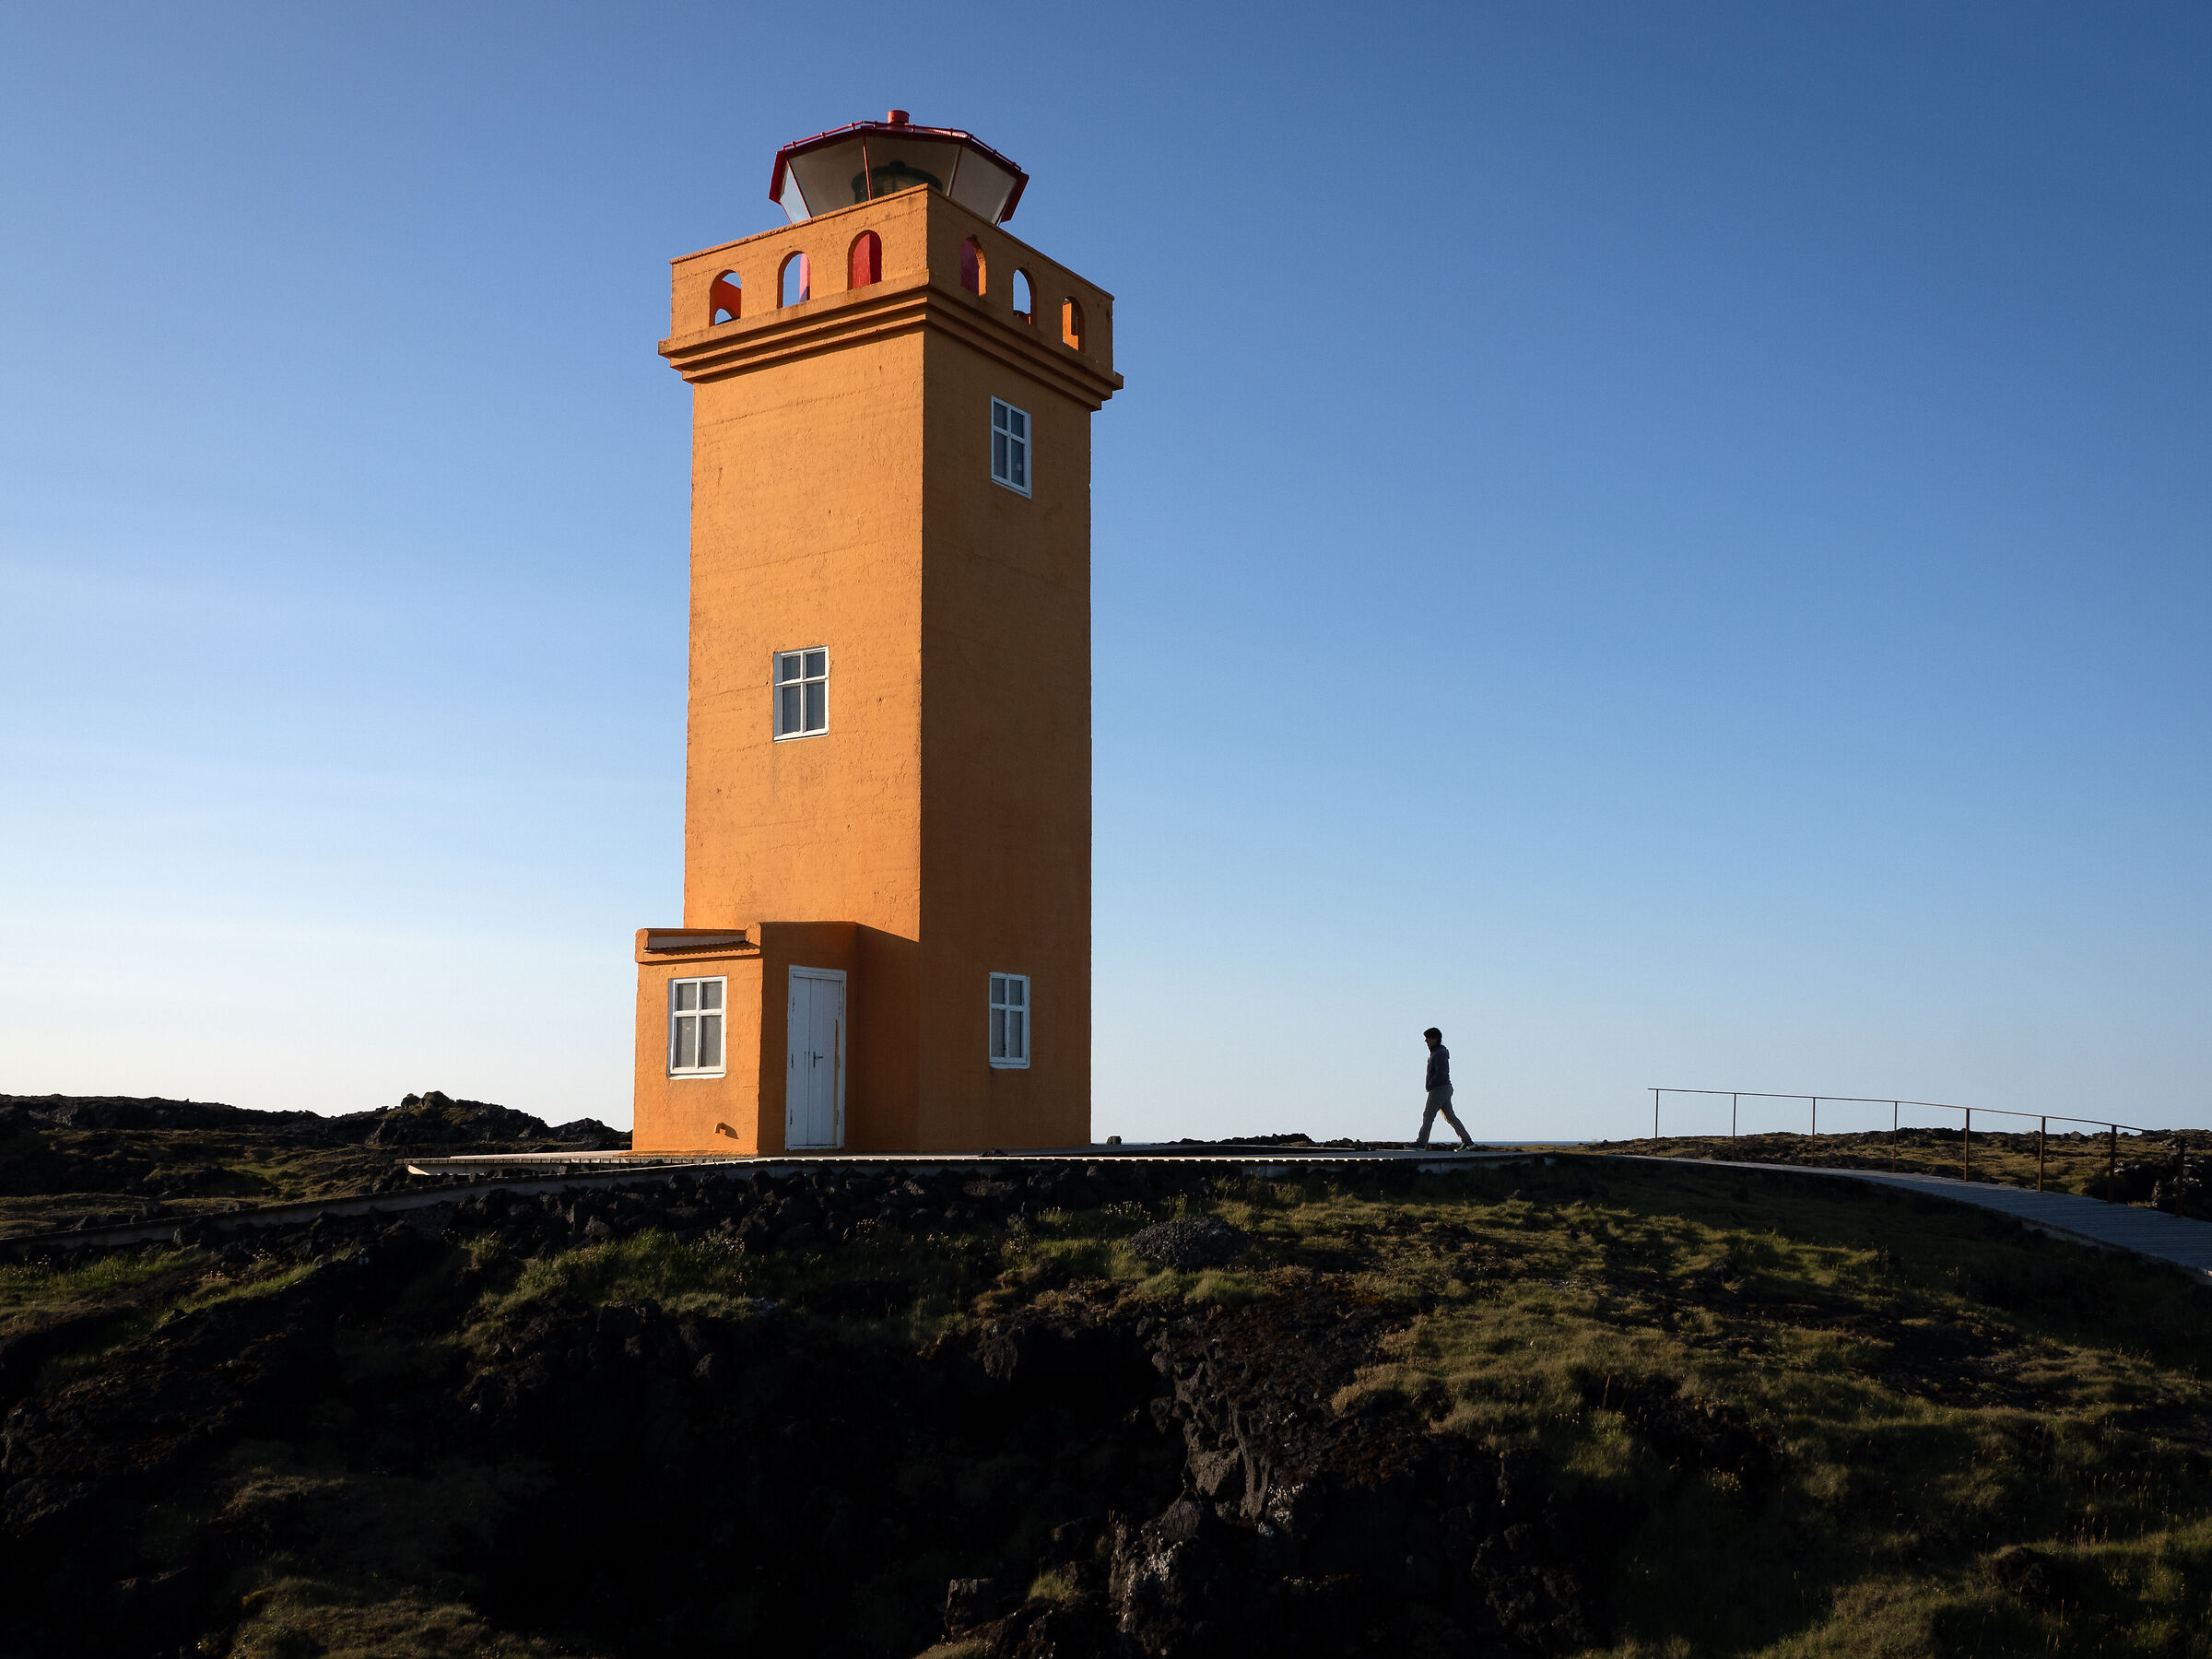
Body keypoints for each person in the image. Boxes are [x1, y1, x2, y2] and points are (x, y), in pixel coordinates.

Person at [1415, 1026, 1474, 1148]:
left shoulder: (1439, 1054)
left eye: (1428, 1038)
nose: (1426, 1041)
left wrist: (1431, 1084)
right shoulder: (1437, 1052)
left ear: (1435, 1039)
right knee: (1450, 1116)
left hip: (1439, 1088)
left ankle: (1421, 1143)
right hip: (1444, 1088)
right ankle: (1468, 1142)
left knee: (1428, 1115)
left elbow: (1441, 1073)